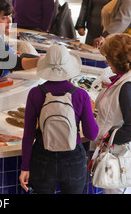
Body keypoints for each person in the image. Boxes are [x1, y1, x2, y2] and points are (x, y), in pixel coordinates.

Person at [19, 44, 98, 194]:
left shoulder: (35, 93)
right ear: (68, 68)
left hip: (42, 156)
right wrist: (91, 113)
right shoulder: (81, 95)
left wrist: (25, 167)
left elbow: (28, 135)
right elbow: (91, 134)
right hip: (73, 157)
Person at [93, 33, 131, 194]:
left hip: (122, 156)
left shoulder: (128, 86)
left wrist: (108, 137)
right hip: (126, 153)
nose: (107, 62)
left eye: (108, 57)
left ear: (118, 59)